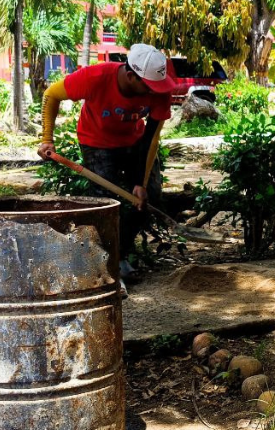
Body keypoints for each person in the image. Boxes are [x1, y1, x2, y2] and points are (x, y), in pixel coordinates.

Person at [37, 44, 177, 280]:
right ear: (131, 76)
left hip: (136, 142)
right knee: (107, 204)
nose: (155, 92)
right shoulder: (95, 77)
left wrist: (141, 183)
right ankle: (106, 263)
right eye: (149, 87)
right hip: (97, 143)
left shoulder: (160, 90)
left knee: (146, 198)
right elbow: (51, 94)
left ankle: (119, 254)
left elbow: (151, 140)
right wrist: (47, 139)